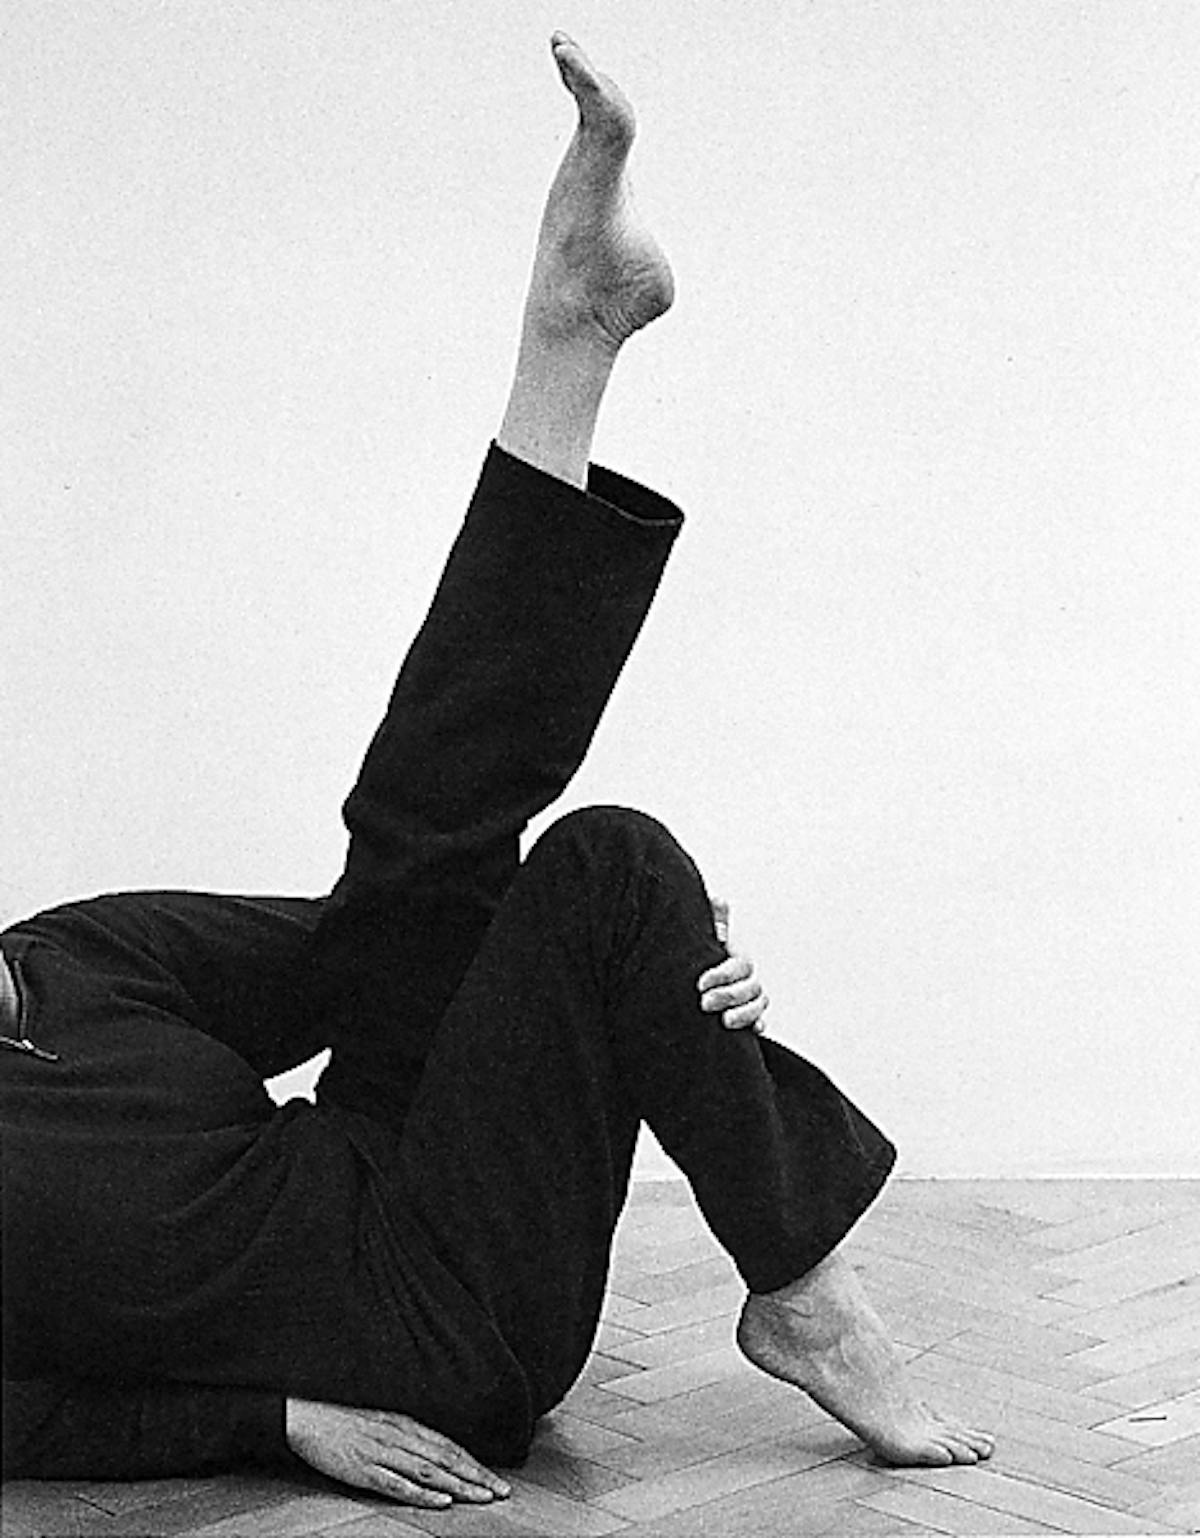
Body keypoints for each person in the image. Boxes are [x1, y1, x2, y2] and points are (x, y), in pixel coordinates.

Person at [0, 35, 993, 1510]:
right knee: (526, 874)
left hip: (392, 1155)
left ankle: (567, 347)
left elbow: (378, 936)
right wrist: (272, 1418)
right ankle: (815, 1298)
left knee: (597, 864)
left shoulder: (62, 962)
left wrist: (648, 974)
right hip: (444, 1324)